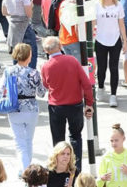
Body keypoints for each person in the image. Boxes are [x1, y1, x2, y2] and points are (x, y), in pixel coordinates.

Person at [41, 36, 95, 171]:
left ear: (46, 51)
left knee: (58, 139)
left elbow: (46, 85)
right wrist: (89, 104)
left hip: (56, 106)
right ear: (60, 46)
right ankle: (76, 169)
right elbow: (87, 84)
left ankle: (59, 169)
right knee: (76, 137)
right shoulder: (72, 61)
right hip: (75, 105)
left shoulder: (46, 66)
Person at [4, 43, 46, 173]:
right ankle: (27, 169)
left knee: (19, 142)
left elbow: (3, 91)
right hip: (31, 109)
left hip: (14, 108)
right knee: (28, 140)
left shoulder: (9, 71)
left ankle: (25, 169)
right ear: (29, 56)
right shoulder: (34, 73)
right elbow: (41, 93)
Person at [95, 0, 127, 108]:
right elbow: (93, 22)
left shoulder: (118, 5)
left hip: (115, 40)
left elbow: (121, 24)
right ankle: (100, 87)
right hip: (100, 40)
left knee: (114, 68)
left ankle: (113, 94)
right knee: (101, 67)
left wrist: (125, 41)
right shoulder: (97, 5)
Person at [3, 0, 38, 68]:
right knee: (31, 53)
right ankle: (29, 76)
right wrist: (30, 5)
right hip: (24, 25)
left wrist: (14, 11)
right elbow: (29, 14)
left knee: (17, 53)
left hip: (13, 25)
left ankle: (17, 76)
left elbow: (4, 12)